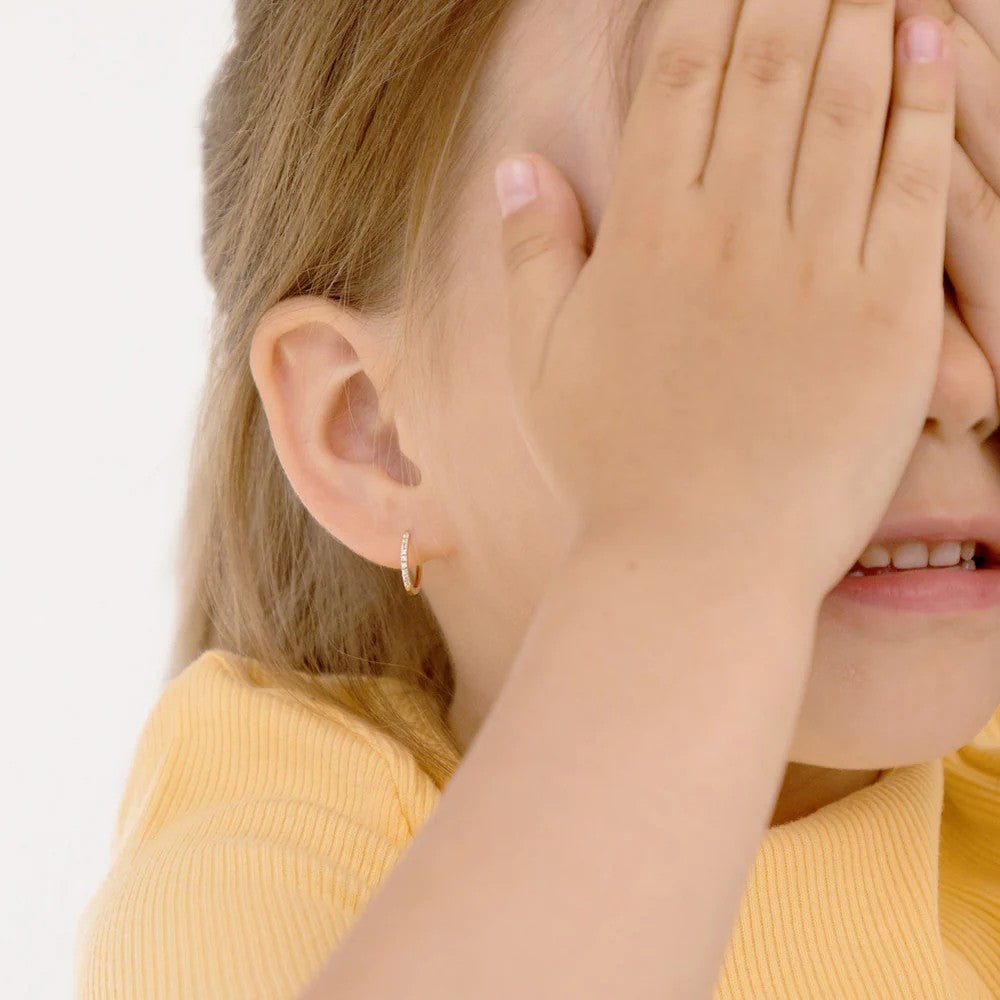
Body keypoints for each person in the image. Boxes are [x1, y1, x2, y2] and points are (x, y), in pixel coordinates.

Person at [75, 0, 1000, 996]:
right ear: (375, 437)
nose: (957, 385)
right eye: (749, 279)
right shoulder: (278, 846)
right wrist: (705, 539)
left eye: (968, 231)